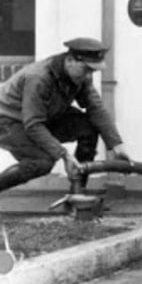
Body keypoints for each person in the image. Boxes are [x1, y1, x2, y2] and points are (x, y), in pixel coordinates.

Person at [0, 37, 129, 193]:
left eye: (92, 71)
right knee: (43, 161)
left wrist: (117, 146)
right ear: (70, 61)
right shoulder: (39, 78)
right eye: (86, 69)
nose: (89, 75)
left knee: (88, 128)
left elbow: (96, 109)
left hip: (45, 117)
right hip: (10, 121)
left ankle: (77, 192)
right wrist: (64, 155)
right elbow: (33, 125)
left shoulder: (80, 77)